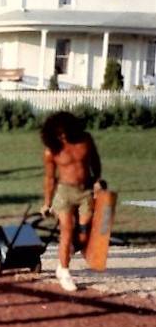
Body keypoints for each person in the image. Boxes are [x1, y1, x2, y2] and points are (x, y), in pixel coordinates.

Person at [40, 111, 104, 292]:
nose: (63, 136)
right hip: (64, 194)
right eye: (58, 134)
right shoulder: (51, 151)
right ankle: (65, 271)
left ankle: (63, 260)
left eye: (65, 132)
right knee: (66, 232)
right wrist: (47, 203)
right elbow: (50, 179)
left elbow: (95, 162)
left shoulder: (85, 140)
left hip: (85, 192)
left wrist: (98, 179)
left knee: (83, 235)